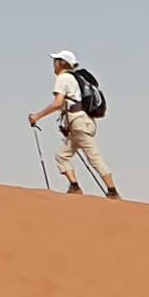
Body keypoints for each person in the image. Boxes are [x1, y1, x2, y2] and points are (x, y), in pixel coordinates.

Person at [28, 49, 120, 198]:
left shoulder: (63, 78)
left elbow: (58, 104)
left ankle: (112, 191)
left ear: (61, 63)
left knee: (93, 157)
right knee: (61, 156)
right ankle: (75, 186)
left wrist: (37, 117)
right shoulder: (75, 79)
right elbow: (71, 104)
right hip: (82, 122)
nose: (54, 64)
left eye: (56, 61)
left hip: (79, 123)